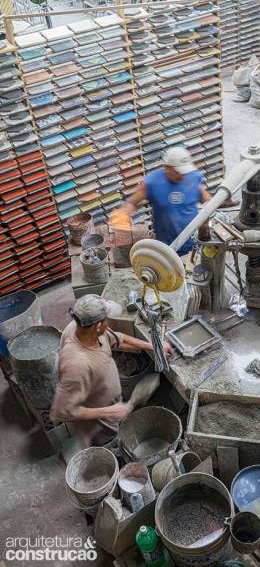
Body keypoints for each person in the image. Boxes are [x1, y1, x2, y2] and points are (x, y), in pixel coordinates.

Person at [51, 294, 171, 448]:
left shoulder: (84, 329)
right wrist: (108, 412)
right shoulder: (76, 363)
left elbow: (118, 340)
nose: (108, 323)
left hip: (108, 406)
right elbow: (63, 411)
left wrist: (152, 346)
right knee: (108, 447)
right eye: (106, 320)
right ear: (97, 326)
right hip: (97, 426)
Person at [110, 146, 211, 256]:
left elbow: (208, 202)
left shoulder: (193, 177)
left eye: (185, 171)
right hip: (166, 249)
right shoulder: (152, 182)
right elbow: (132, 203)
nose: (183, 175)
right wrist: (122, 216)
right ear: (167, 167)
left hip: (193, 247)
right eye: (179, 171)